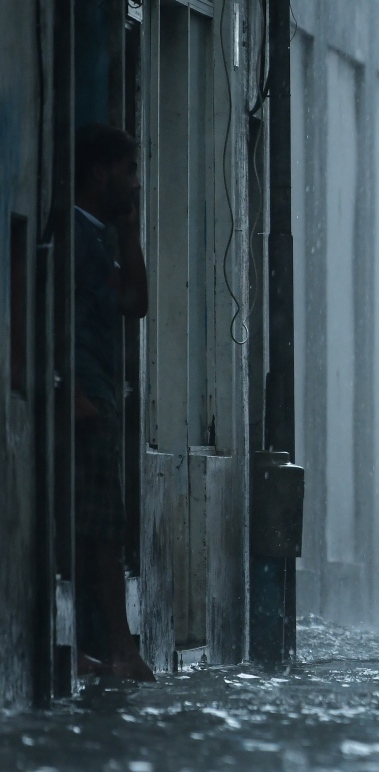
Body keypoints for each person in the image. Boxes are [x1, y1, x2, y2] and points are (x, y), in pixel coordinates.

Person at [73, 122, 153, 681]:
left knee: (105, 525)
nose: (135, 182)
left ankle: (110, 647)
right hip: (85, 399)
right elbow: (59, 317)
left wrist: (129, 234)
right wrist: (74, 390)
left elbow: (134, 303)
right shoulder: (74, 236)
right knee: (97, 531)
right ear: (98, 172)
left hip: (99, 394)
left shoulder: (101, 235)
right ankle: (115, 647)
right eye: (128, 170)